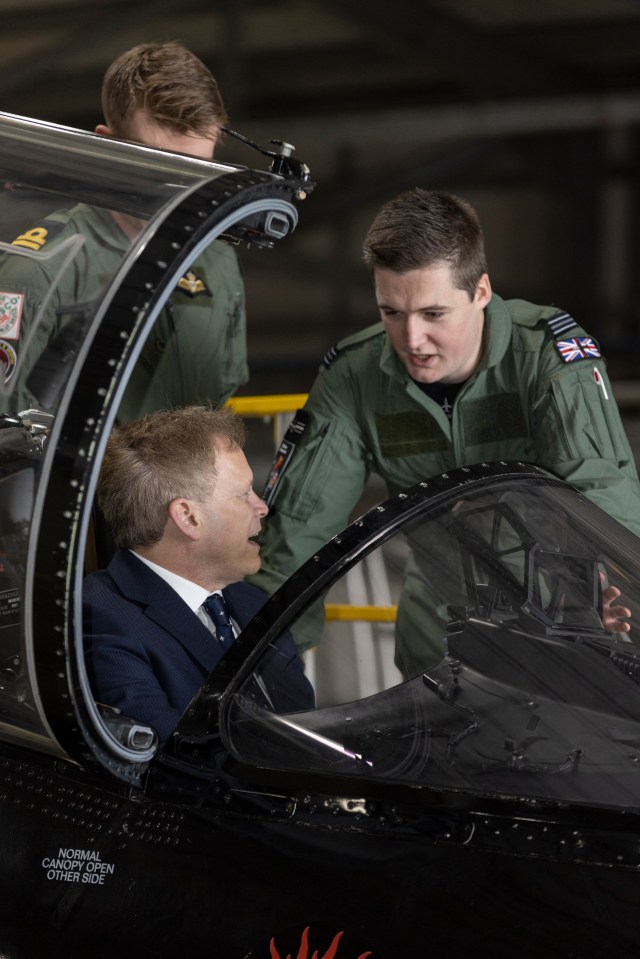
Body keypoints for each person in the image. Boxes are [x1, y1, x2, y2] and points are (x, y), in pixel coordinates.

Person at [250, 188, 640, 673]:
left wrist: (595, 589)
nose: (412, 340)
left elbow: (600, 490)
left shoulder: (548, 359)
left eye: (433, 314)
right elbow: (298, 534)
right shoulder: (354, 376)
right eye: (391, 312)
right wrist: (268, 661)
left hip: (562, 624)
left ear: (480, 292)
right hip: (437, 638)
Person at [0, 41, 247, 416]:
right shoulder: (39, 272)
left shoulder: (219, 262)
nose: (179, 190)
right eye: (156, 166)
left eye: (199, 172)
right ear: (108, 147)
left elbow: (217, 409)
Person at [83, 405, 314, 746]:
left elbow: (304, 731)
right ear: (188, 518)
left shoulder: (252, 603)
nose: (261, 507)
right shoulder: (100, 620)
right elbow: (170, 764)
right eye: (244, 493)